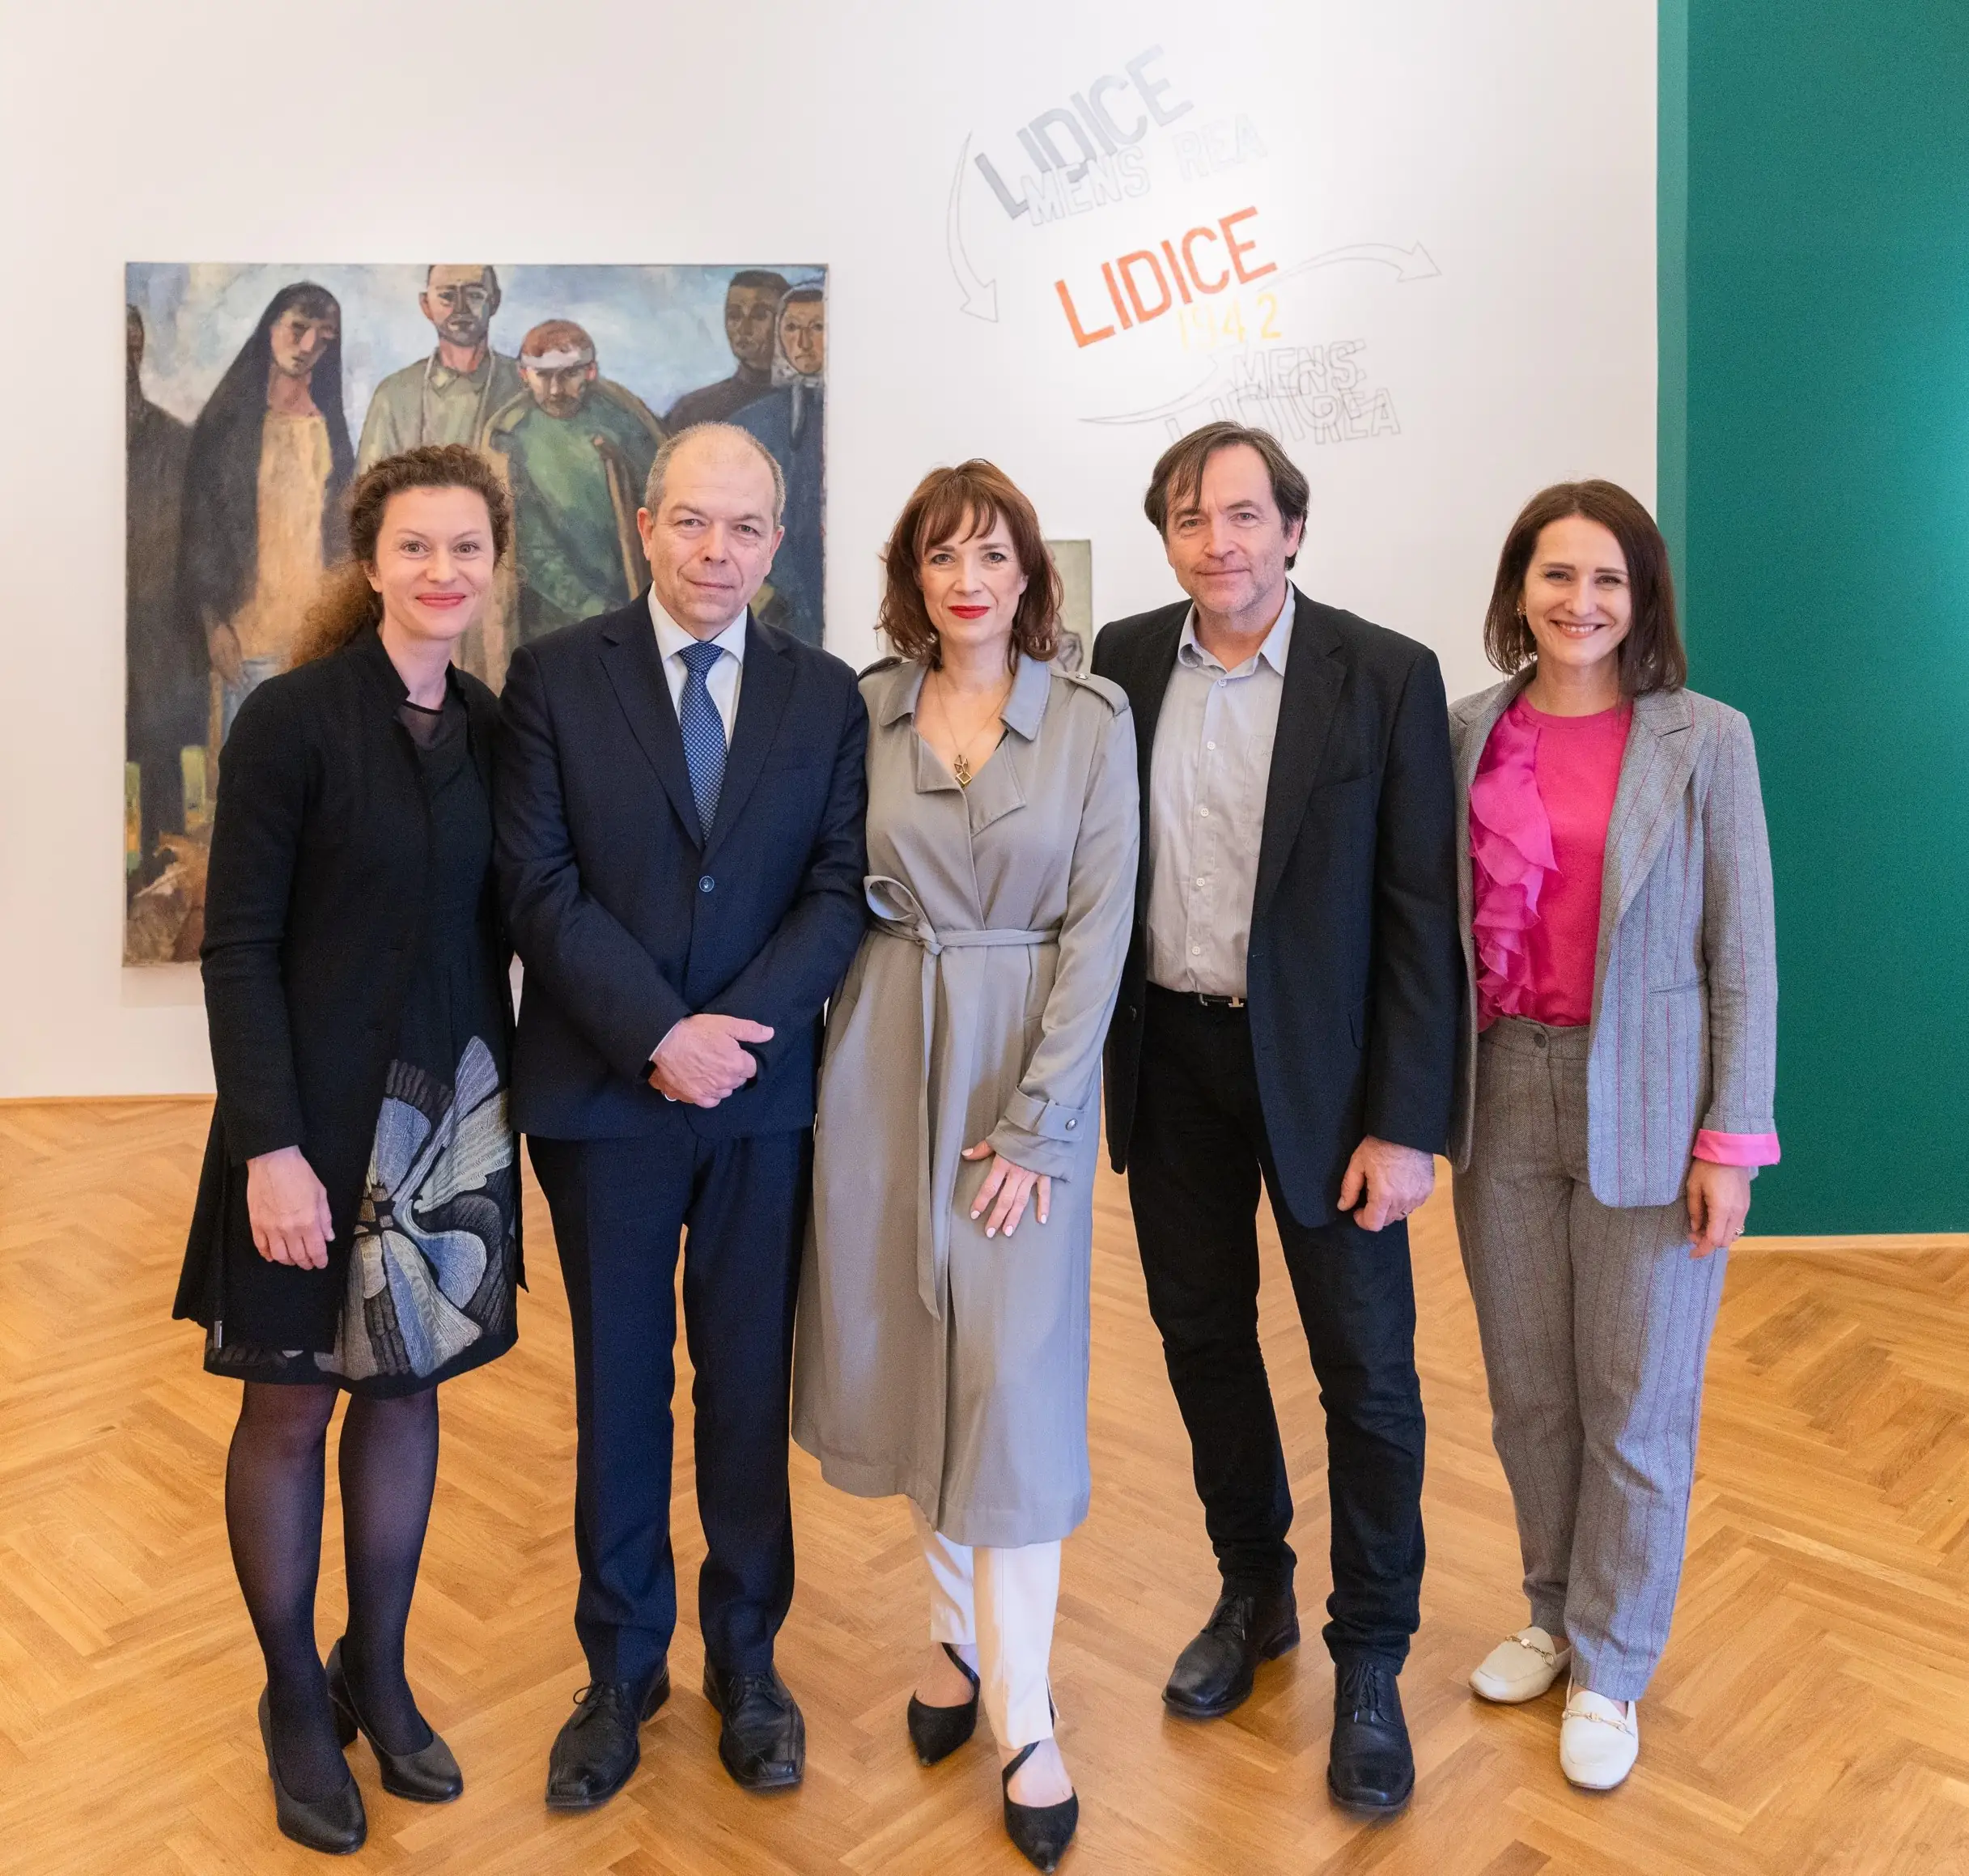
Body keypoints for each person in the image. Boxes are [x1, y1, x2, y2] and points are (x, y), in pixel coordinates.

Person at [494, 422, 868, 1812]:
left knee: (744, 1381)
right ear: (646, 524)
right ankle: (619, 1668)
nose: (718, 550)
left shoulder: (825, 695)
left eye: (746, 527)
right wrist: (657, 1034)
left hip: (759, 1102)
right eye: (693, 522)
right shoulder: (552, 677)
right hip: (604, 1095)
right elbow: (536, 884)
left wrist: (730, 1040)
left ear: (777, 541)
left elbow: (837, 887)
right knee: (619, 1383)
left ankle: (748, 1659)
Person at [1092, 420, 1460, 1817]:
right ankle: (1253, 1588)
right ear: (1166, 537)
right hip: (1170, 1057)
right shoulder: (1124, 660)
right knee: (1201, 1338)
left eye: (1244, 515)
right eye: (1190, 518)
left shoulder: (1384, 673)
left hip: (1329, 1084)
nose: (1219, 542)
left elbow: (1420, 918)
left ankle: (1371, 1654)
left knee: (1365, 1372)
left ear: (1292, 529)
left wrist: (1405, 1123)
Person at [173, 444, 524, 1854]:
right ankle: (292, 1697)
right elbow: (236, 946)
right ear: (369, 561)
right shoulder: (292, 720)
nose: (442, 570)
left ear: (493, 565)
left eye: (466, 547)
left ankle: (373, 1668)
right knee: (290, 1407)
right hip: (306, 1128)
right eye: (415, 546)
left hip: (443, 1127)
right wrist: (268, 1147)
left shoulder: (494, 729)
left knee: (404, 1393)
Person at [796, 465, 1137, 1871]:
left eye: (992, 554)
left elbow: (1101, 930)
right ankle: (953, 1640)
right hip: (882, 1051)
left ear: (1028, 574)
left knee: (1011, 1384)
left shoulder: (1092, 720)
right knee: (911, 1356)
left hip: (1020, 1065)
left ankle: (1025, 1713)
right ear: (912, 577)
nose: (967, 579)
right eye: (942, 555)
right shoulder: (864, 709)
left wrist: (1044, 1120)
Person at [1450, 481, 1778, 1791]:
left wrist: (1730, 1139)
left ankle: (1612, 1661)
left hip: (1648, 1099)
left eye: (1606, 578)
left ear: (1640, 599)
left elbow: (1742, 952)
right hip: (1500, 1092)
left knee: (1636, 1404)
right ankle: (1549, 1610)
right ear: (1517, 589)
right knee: (1529, 1390)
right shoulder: (1465, 731)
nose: (1578, 601)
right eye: (1555, 574)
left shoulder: (1707, 740)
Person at [180, 281, 353, 742]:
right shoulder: (226, 425)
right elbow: (201, 534)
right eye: (298, 329)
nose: (309, 346)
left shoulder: (330, 428)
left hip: (319, 638)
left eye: (324, 337)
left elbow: (343, 536)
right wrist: (214, 626)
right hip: (248, 634)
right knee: (251, 761)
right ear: (270, 328)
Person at [483, 318, 666, 649]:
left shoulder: (623, 421)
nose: (555, 390)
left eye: (568, 374)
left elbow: (661, 500)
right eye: (543, 376)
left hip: (636, 601)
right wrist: (595, 608)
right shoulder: (510, 441)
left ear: (590, 371)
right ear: (524, 375)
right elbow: (531, 547)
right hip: (553, 623)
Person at [124, 303, 197, 891]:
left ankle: (159, 881)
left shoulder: (176, 442)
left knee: (159, 754)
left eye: (131, 347)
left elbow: (196, 545)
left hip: (158, 631)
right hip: (67, 630)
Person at [356, 265, 524, 471]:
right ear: (426, 305)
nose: (461, 309)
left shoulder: (524, 384)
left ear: (495, 301)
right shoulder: (393, 394)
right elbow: (369, 484)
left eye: (474, 295)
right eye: (447, 296)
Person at [732, 284, 825, 647]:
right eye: (792, 328)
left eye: (817, 328)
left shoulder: (859, 415)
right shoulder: (754, 422)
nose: (803, 343)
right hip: (776, 595)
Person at [664, 268, 791, 430]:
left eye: (759, 316)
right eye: (734, 316)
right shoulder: (692, 411)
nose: (744, 329)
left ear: (785, 322)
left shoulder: (806, 407)